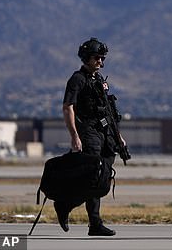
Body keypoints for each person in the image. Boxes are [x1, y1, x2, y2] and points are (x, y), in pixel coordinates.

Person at [58, 37, 127, 236]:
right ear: (87, 58)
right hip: (88, 133)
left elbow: (109, 111)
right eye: (97, 57)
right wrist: (74, 136)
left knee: (103, 179)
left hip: (106, 134)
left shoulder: (99, 80)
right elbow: (67, 107)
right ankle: (90, 220)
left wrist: (118, 136)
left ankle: (69, 206)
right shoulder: (77, 79)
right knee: (93, 177)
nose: (100, 61)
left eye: (102, 58)